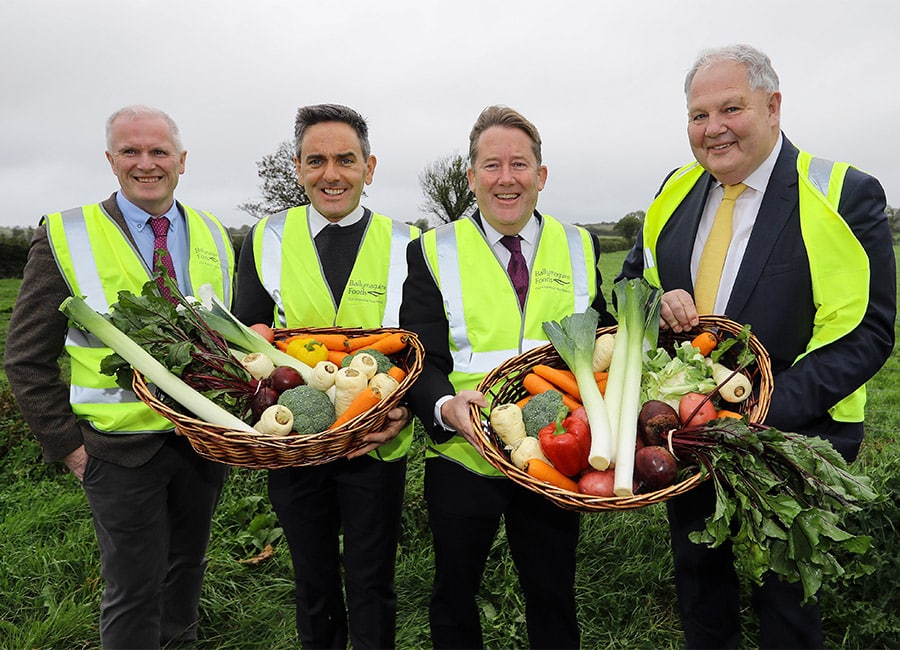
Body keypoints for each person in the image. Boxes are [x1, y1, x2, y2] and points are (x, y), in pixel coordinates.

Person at [618, 44, 896, 648]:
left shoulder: (843, 192)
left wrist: (755, 412)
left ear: (773, 107)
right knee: (699, 581)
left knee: (789, 596)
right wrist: (658, 299)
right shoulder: (675, 188)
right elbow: (630, 282)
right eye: (698, 115)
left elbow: (868, 329)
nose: (712, 129)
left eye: (730, 109)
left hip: (795, 435)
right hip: (689, 434)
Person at [4, 105, 236, 648]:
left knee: (185, 579)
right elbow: (25, 357)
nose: (146, 163)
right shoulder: (66, 234)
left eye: (158, 151)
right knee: (132, 592)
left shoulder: (215, 234)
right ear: (111, 160)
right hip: (117, 452)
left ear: (182, 160)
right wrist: (69, 449)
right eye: (131, 151)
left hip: (200, 448)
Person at [399, 105, 616, 649]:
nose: (506, 178)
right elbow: (419, 355)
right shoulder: (431, 250)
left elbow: (606, 334)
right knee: (454, 594)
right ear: (471, 177)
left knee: (552, 593)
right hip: (464, 456)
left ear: (541, 176)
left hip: (556, 450)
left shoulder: (580, 245)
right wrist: (444, 407)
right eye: (491, 165)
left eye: (519, 164)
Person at [233, 103, 416, 649]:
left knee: (371, 580)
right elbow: (251, 335)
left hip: (376, 440)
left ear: (370, 166)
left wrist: (401, 404)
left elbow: (416, 344)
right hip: (294, 441)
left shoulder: (408, 242)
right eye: (316, 160)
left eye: (345, 159)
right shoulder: (264, 237)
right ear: (297, 167)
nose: (330, 174)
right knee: (311, 581)